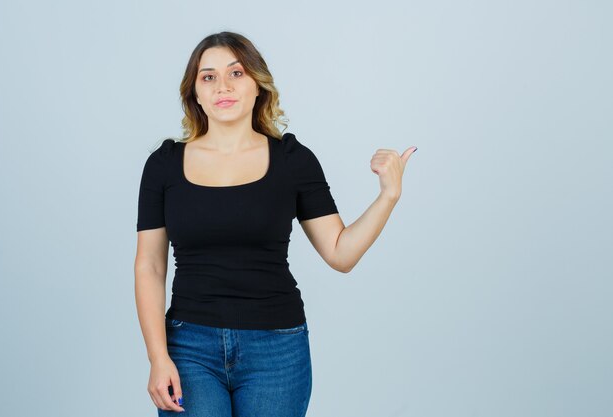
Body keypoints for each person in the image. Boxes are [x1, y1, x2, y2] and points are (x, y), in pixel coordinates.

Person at [134, 31, 417, 417]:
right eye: (209, 77)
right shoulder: (164, 164)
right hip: (189, 347)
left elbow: (340, 253)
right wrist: (157, 357)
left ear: (257, 86)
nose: (223, 86)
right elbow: (149, 265)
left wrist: (388, 196)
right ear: (195, 93)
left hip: (276, 349)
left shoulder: (292, 160)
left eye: (236, 73)